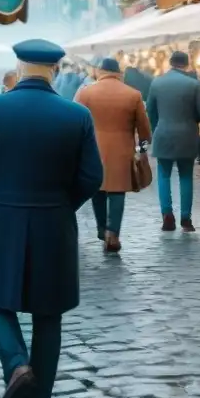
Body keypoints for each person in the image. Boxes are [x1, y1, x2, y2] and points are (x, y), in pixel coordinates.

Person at [0, 39, 103, 398]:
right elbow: (93, 177)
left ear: (19, 67)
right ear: (55, 70)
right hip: (54, 222)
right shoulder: (77, 115)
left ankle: (16, 364)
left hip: (3, 217)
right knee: (48, 314)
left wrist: (2, 188)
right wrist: (60, 203)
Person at [75, 58, 152, 253]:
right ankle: (113, 233)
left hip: (93, 150)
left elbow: (74, 124)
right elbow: (144, 130)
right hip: (122, 150)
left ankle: (102, 230)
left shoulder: (86, 93)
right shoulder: (133, 95)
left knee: (97, 190)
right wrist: (142, 151)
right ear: (120, 73)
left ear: (99, 71)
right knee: (117, 192)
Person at [147, 51, 200, 232]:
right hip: (187, 136)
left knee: (164, 176)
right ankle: (186, 219)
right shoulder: (194, 84)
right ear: (186, 64)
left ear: (170, 63)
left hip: (163, 134)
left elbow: (150, 111)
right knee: (185, 176)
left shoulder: (157, 82)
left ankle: (167, 215)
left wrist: (157, 127)